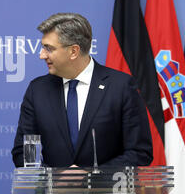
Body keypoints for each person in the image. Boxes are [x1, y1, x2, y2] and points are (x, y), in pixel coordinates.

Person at [12, 13, 153, 168]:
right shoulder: (37, 90)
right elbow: (23, 152)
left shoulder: (121, 87)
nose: (41, 55)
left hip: (106, 191)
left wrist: (91, 177)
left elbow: (139, 153)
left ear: (74, 51)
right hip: (54, 191)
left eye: (49, 49)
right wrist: (58, 179)